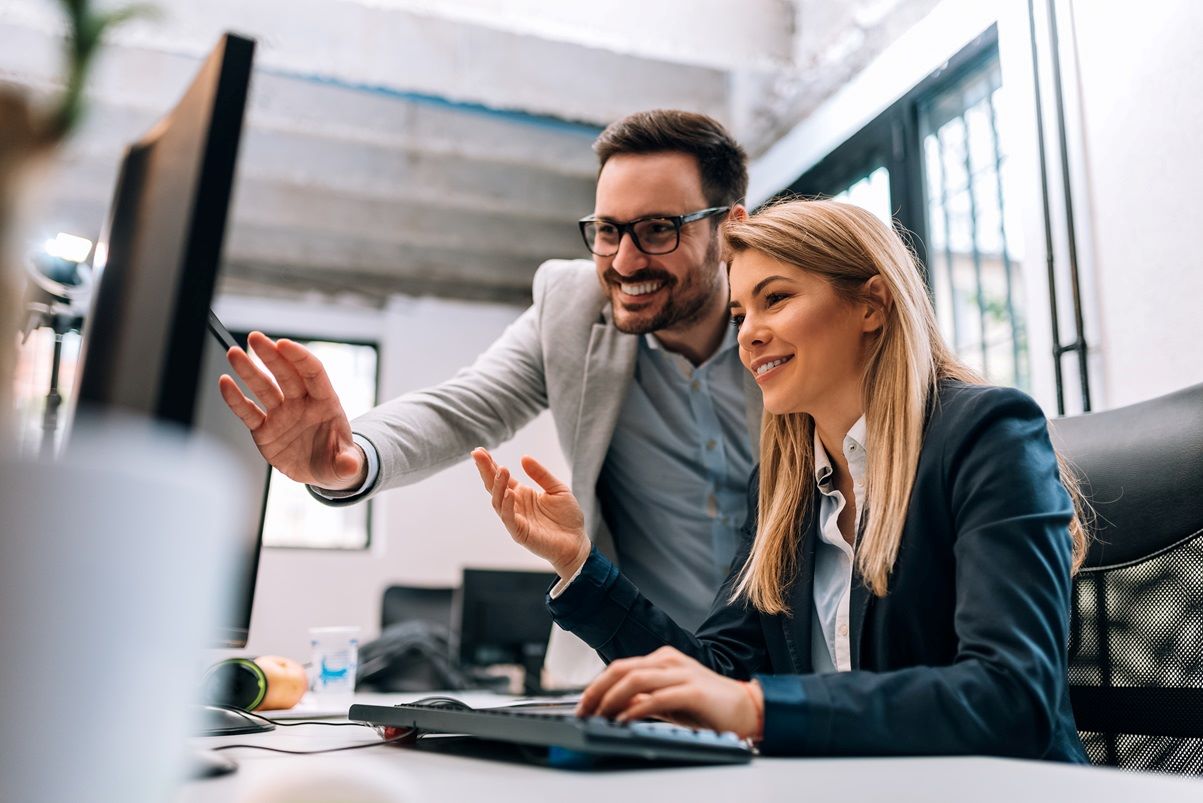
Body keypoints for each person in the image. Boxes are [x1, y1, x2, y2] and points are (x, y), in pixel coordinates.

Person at [470, 198, 1090, 760]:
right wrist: (579, 563)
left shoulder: (988, 435)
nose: (748, 334)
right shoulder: (781, 485)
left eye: (776, 299)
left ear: (871, 304)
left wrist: (758, 710)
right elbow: (717, 675)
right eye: (741, 312)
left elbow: (1012, 696)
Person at [217, 110, 762, 681]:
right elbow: (465, 406)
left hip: (787, 667)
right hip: (634, 667)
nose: (624, 261)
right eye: (607, 230)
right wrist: (351, 456)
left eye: (657, 230)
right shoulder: (572, 308)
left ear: (729, 228)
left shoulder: (789, 321)